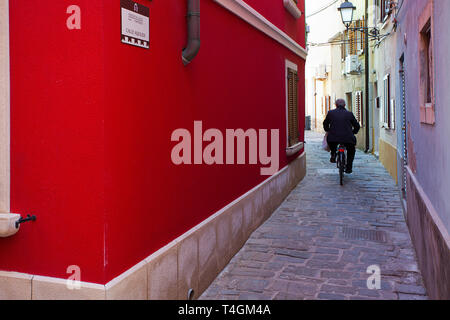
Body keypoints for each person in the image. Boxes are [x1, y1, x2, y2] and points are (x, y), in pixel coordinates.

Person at [323, 99, 360, 174]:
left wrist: (328, 130)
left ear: (336, 105)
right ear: (344, 105)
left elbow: (325, 124)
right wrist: (353, 132)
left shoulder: (331, 113)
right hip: (348, 138)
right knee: (351, 150)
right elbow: (356, 126)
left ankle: (333, 154)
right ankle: (349, 167)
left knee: (332, 143)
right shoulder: (349, 114)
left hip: (333, 137)